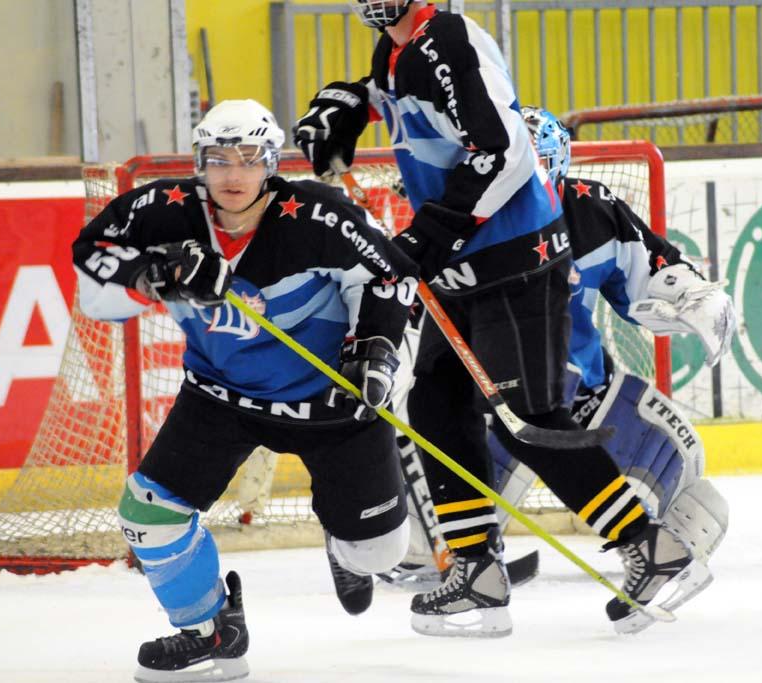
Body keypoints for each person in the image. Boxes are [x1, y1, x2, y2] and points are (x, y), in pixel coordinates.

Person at [294, 1, 708, 637]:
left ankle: (652, 548)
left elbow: (504, 150)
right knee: (435, 405)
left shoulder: (449, 39)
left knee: (527, 422)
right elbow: (403, 98)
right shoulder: (395, 48)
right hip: (465, 267)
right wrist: (351, 101)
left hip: (514, 260)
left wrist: (431, 234)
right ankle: (477, 570)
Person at [73, 99, 417, 681]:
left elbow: (388, 276)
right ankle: (212, 631)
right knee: (147, 515)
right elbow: (94, 281)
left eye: (249, 159)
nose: (234, 175)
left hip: (330, 403)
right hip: (219, 394)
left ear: (271, 162)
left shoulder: (318, 215)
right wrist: (153, 276)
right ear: (200, 161)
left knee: (377, 552)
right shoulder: (163, 210)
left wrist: (374, 351)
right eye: (219, 159)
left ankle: (346, 538)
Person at [381, 106, 733, 599]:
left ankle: (653, 557)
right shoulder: (458, 219)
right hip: (497, 402)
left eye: (538, 165)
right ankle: (471, 563)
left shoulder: (589, 209)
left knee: (692, 481)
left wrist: (693, 297)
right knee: (424, 541)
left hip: (587, 392)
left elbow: (649, 271)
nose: (527, 181)